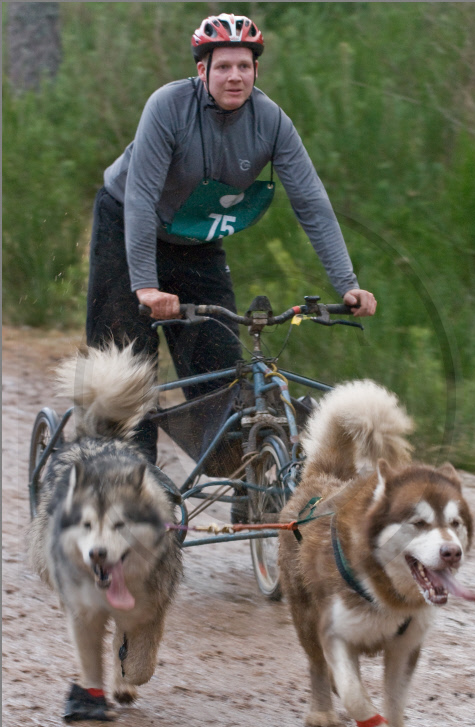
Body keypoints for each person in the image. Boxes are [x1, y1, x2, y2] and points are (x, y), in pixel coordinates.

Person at [86, 12, 377, 464]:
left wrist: (347, 282)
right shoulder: (167, 106)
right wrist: (145, 284)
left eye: (244, 66)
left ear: (256, 70)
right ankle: (127, 483)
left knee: (223, 369)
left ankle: (248, 489)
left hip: (196, 238)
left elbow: (312, 204)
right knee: (127, 368)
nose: (234, 76)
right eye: (223, 67)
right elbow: (141, 198)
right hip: (126, 223)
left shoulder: (272, 121)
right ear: (202, 71)